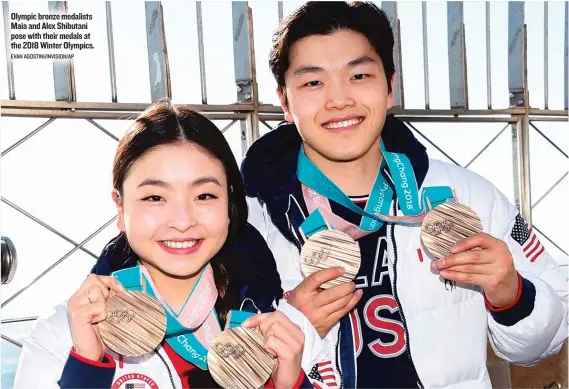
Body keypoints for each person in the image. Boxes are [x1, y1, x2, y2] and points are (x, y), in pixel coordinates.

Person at [241, 2, 569, 388]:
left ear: (390, 86)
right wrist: (291, 325)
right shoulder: (246, 220)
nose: (339, 99)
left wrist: (510, 293)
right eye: (313, 82)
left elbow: (545, 341)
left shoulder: (469, 197)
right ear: (285, 100)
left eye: (359, 75)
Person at [13, 100, 312, 389]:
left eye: (204, 195)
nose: (182, 221)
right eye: (155, 198)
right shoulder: (62, 334)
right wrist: (88, 367)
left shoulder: (279, 331)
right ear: (120, 207)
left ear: (229, 203)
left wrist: (291, 385)